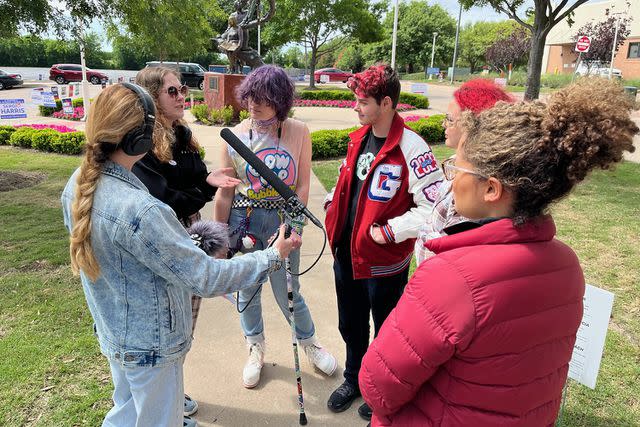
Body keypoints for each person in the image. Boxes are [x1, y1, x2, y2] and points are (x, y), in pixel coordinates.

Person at [358, 78, 637, 426]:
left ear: (491, 188)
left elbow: (377, 386)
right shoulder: (567, 264)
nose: (451, 177)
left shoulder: (451, 278)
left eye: (456, 168)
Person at [61, 83, 301, 427]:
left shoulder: (78, 184)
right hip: (151, 349)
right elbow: (207, 277)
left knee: (125, 414)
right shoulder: (141, 211)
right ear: (139, 139)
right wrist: (272, 256)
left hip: (116, 335)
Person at [323, 64, 443, 420]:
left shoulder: (414, 148)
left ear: (387, 102)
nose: (355, 108)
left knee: (386, 329)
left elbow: (433, 208)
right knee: (351, 323)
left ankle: (380, 389)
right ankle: (353, 379)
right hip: (347, 255)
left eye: (363, 102)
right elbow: (352, 185)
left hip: (384, 264)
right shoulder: (357, 138)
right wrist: (333, 201)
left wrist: (391, 231)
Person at [213, 65, 337, 389]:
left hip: (283, 222)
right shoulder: (234, 135)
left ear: (281, 101)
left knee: (289, 292)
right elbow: (225, 192)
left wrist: (296, 227)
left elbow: (303, 185)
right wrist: (219, 239)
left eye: (265, 98)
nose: (255, 103)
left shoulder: (298, 131)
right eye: (252, 95)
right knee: (248, 290)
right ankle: (255, 348)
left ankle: (309, 342)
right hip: (246, 221)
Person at [133, 65, 241, 422]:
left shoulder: (182, 134)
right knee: (169, 318)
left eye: (182, 90)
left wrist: (202, 186)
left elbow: (193, 183)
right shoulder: (142, 142)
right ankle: (166, 398)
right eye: (173, 92)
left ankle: (174, 388)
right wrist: (203, 190)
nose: (183, 97)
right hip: (165, 235)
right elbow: (166, 198)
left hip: (190, 230)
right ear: (152, 97)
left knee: (188, 317)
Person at [414, 79, 513, 265]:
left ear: (474, 125)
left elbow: (445, 248)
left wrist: (425, 234)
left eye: (450, 119)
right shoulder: (455, 165)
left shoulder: (478, 185)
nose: (444, 124)